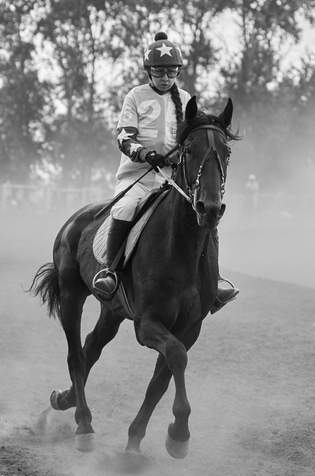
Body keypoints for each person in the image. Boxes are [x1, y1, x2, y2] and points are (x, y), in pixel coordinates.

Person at [93, 32, 238, 312]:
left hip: (172, 178)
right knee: (124, 208)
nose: (165, 77)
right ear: (149, 71)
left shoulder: (184, 99)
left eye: (171, 71)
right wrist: (145, 153)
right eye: (159, 71)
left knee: (205, 212)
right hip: (137, 176)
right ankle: (111, 273)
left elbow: (192, 139)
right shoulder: (135, 96)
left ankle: (214, 280)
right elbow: (124, 137)